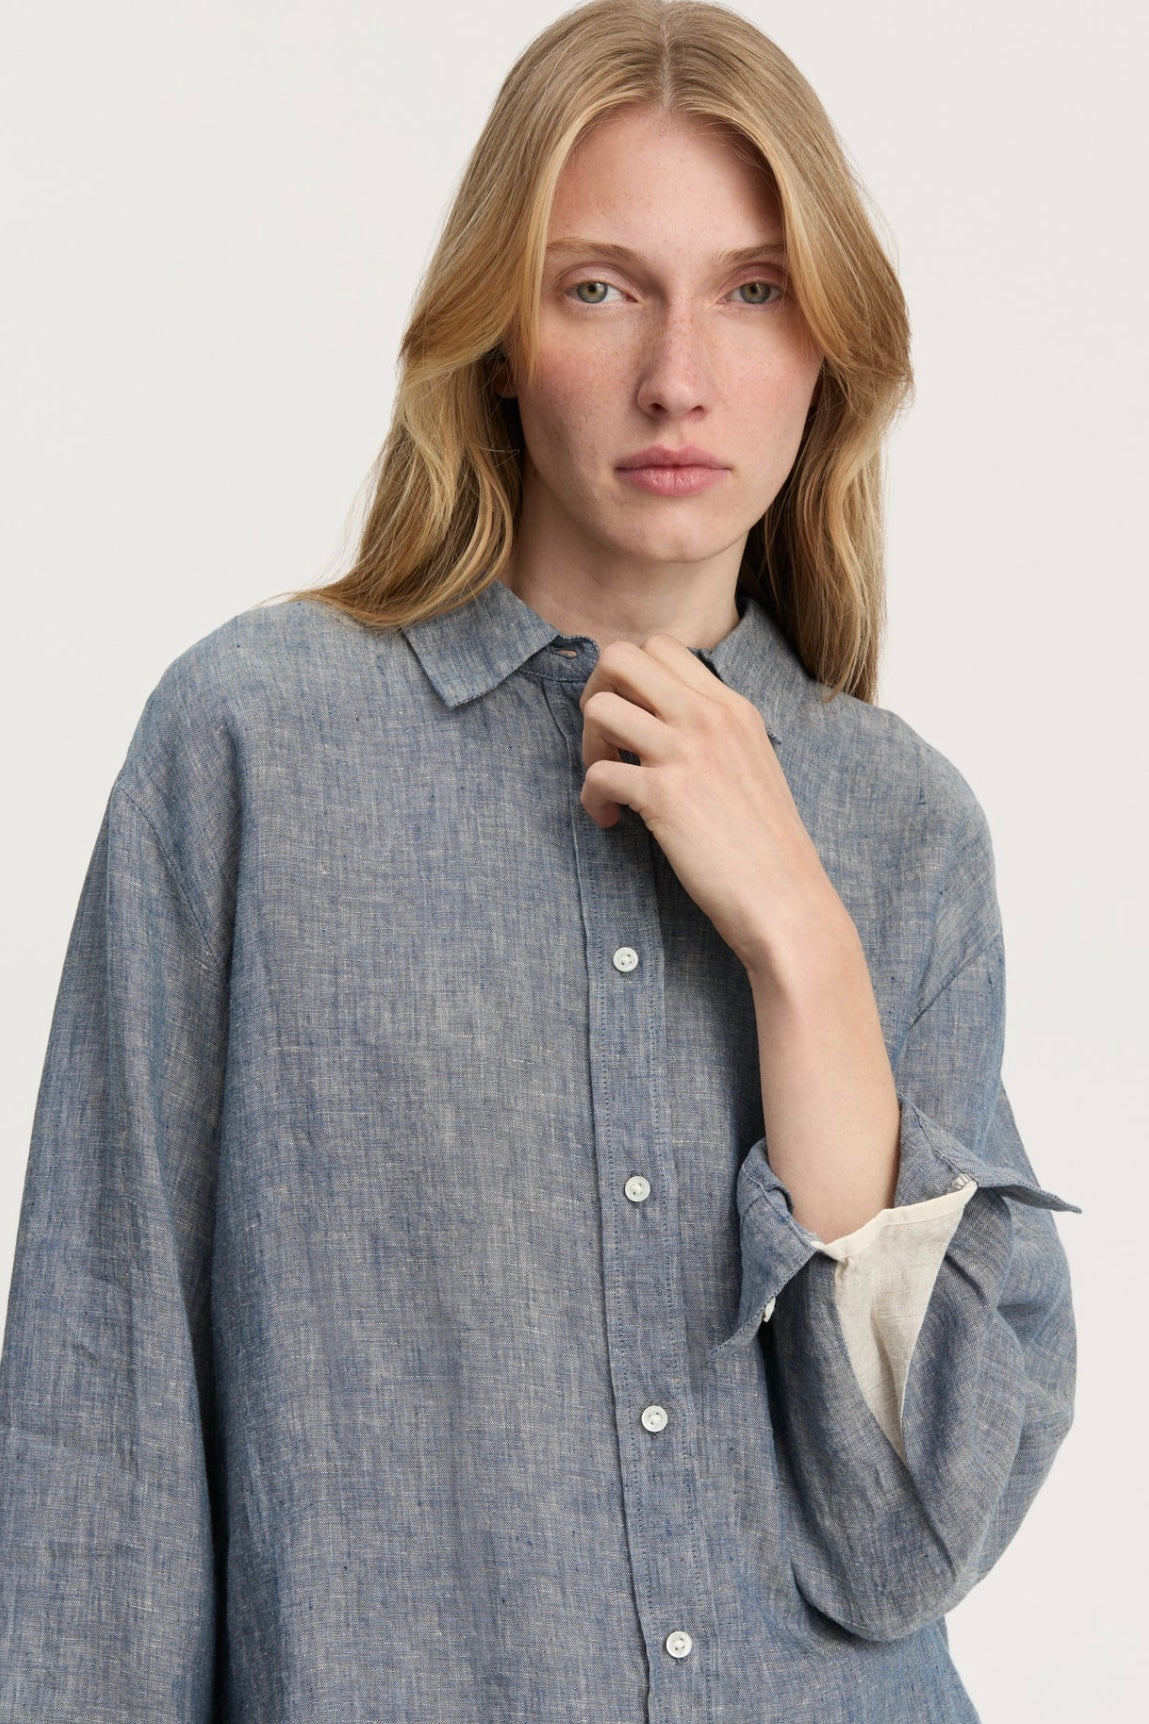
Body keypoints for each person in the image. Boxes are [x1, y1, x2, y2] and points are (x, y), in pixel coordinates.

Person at [0, 1, 1077, 1718]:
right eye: (598, 288)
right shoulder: (254, 745)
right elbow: (99, 1421)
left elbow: (907, 1541)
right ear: (498, 337)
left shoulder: (902, 827)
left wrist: (803, 947)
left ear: (829, 345)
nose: (678, 375)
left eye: (751, 290)